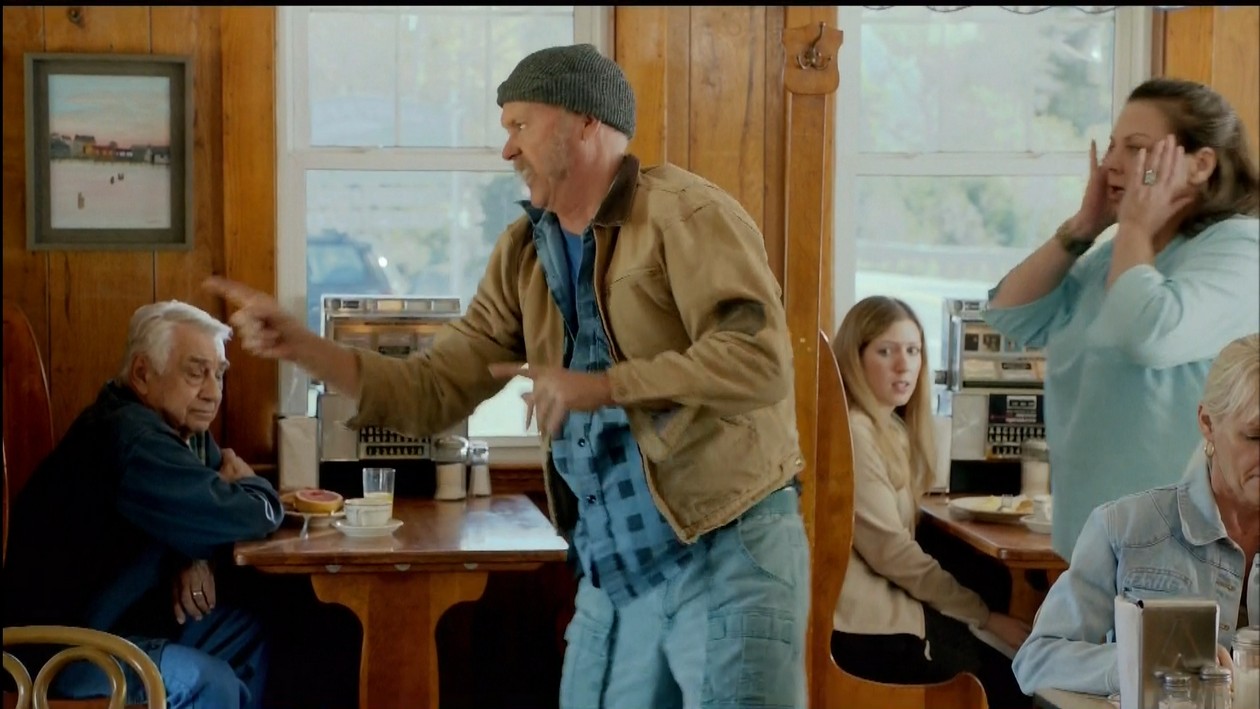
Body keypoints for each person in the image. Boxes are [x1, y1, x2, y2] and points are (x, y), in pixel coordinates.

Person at [206, 43, 809, 709]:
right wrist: (306, 349)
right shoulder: (523, 253)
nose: (507, 149)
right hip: (616, 568)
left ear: (587, 122)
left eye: (521, 124)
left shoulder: (686, 214)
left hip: (725, 551)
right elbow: (433, 390)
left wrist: (605, 386)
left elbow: (760, 361)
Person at [983, 77, 1260, 559]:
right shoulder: (1117, 257)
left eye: (1136, 148)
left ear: (1201, 164)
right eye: (1112, 145)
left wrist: (1133, 225)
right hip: (1092, 542)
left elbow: (1148, 334)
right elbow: (1012, 315)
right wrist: (1083, 227)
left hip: (1180, 548)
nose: (1111, 163)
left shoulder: (1242, 248)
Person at [3, 301, 283, 709]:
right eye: (195, 373)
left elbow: (204, 511)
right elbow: (248, 514)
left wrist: (193, 551)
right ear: (142, 374)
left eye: (219, 374)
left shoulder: (182, 427)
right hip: (60, 651)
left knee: (244, 634)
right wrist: (254, 486)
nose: (213, 392)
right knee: (208, 681)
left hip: (120, 626)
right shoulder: (132, 437)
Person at [1012, 332, 1259, 697]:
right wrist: (1141, 663)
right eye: (1255, 437)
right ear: (1207, 423)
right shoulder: (1125, 529)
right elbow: (1036, 661)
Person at [828, 296, 1031, 707]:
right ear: (854, 358)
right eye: (886, 351)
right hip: (865, 625)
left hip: (885, 610)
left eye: (913, 350)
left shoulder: (888, 428)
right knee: (1004, 681)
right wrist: (985, 617)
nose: (904, 366)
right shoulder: (856, 433)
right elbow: (892, 553)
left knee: (989, 585)